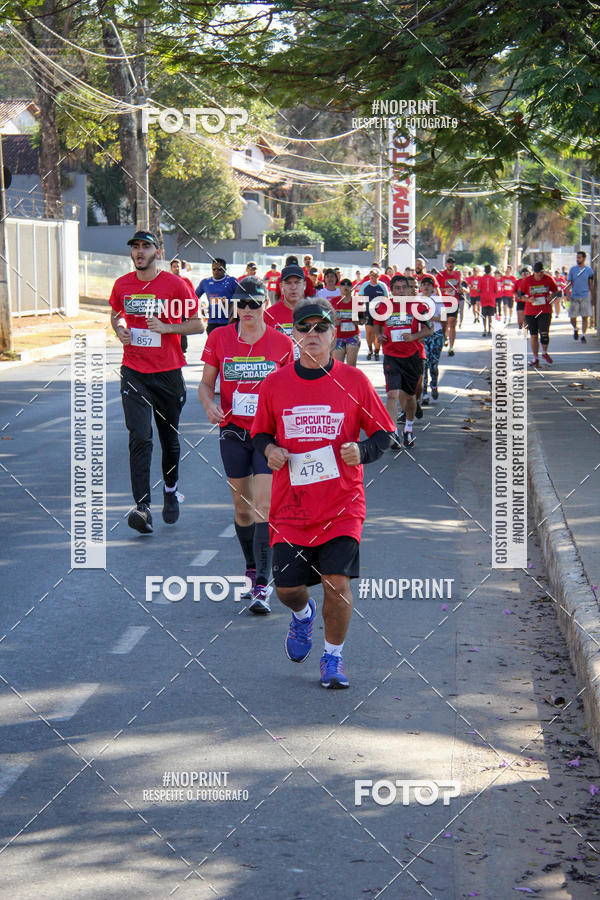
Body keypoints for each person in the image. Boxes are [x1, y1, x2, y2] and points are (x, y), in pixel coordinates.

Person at [251, 298, 395, 688]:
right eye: (304, 328)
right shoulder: (275, 383)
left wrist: (361, 451)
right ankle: (302, 616)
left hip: (342, 504)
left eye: (320, 328)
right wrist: (271, 449)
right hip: (291, 508)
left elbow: (384, 435)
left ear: (335, 335)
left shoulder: (354, 381)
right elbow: (260, 433)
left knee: (338, 582)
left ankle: (332, 658)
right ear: (292, 335)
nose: (312, 334)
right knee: (287, 590)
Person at [198, 277, 294, 613]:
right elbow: (206, 385)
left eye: (255, 303)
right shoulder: (219, 338)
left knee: (263, 509)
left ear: (266, 304)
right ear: (233, 306)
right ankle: (251, 567)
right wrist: (210, 405)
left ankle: (263, 586)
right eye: (242, 304)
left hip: (267, 437)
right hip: (233, 432)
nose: (248, 309)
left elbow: (293, 389)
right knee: (242, 510)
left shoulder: (282, 344)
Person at [110, 231, 204, 534]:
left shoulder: (175, 285)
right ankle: (142, 507)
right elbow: (116, 315)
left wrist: (167, 327)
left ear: (157, 251)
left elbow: (198, 324)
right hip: (134, 370)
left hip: (167, 373)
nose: (139, 252)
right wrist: (120, 328)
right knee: (140, 436)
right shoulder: (122, 285)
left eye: (145, 246)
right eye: (135, 247)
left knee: (169, 439)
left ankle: (171, 488)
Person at [374, 274, 433, 448]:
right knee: (392, 394)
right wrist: (379, 335)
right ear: (391, 291)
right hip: (391, 355)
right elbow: (377, 324)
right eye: (397, 288)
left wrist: (414, 336)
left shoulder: (418, 307)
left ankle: (408, 427)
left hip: (411, 357)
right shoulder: (384, 307)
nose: (400, 291)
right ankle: (394, 433)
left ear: (408, 289)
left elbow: (429, 329)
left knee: (409, 397)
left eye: (403, 288)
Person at [521, 261, 559, 366]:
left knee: (544, 333)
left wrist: (552, 296)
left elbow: (557, 292)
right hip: (530, 312)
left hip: (545, 311)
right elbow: (520, 296)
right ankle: (535, 358)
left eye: (541, 273)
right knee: (533, 336)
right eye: (538, 273)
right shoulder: (527, 281)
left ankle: (544, 353)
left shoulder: (548, 279)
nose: (540, 275)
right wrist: (528, 300)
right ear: (534, 272)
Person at [196, 258, 239, 335]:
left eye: (219, 269)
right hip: (213, 322)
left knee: (228, 346)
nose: (216, 271)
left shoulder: (232, 281)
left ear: (225, 270)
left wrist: (232, 308)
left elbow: (240, 298)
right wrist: (201, 307)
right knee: (213, 346)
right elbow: (194, 297)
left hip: (229, 322)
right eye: (214, 269)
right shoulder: (205, 282)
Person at [420, 275, 445, 403]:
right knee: (424, 364)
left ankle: (434, 384)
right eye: (424, 284)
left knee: (433, 364)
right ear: (420, 287)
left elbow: (443, 317)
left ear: (433, 288)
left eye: (429, 285)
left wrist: (429, 317)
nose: (426, 286)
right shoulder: (416, 299)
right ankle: (424, 393)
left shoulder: (437, 300)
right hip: (422, 335)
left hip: (436, 334)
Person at [358, 267, 389, 360]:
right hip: (368, 312)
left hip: (379, 313)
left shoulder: (382, 286)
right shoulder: (365, 285)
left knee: (377, 333)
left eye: (375, 276)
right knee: (369, 333)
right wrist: (361, 312)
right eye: (371, 275)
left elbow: (387, 299)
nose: (373, 277)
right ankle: (370, 349)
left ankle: (376, 351)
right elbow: (360, 298)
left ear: (378, 276)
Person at [332, 277, 361, 366]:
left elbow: (363, 320)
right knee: (337, 366)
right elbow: (327, 318)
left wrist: (357, 321)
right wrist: (334, 322)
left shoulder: (357, 302)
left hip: (353, 336)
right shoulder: (334, 301)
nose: (346, 286)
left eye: (348, 284)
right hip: (338, 336)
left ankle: (351, 380)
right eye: (343, 284)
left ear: (352, 288)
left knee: (351, 366)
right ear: (339, 288)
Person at [566, 250, 594, 343]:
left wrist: (593, 297)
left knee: (585, 317)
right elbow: (569, 282)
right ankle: (575, 329)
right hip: (574, 296)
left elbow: (591, 285)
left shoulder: (589, 270)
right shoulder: (573, 270)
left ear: (584, 258)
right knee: (572, 317)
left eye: (579, 257)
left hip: (585, 296)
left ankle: (583, 335)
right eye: (577, 257)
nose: (577, 259)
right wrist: (567, 293)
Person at [436, 257, 461, 356]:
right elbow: (436, 288)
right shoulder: (441, 274)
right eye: (449, 263)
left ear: (454, 265)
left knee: (452, 323)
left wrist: (459, 289)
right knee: (443, 325)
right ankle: (445, 336)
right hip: (443, 302)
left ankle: (451, 347)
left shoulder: (457, 274)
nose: (451, 265)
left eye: (452, 263)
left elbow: (459, 286)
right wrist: (445, 290)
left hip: (454, 302)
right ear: (446, 264)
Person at [478, 265, 497, 337]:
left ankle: (485, 329)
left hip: (483, 299)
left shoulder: (481, 279)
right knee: (490, 316)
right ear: (491, 271)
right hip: (491, 299)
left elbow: (478, 289)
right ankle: (490, 330)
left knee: (484, 316)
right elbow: (496, 290)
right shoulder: (493, 279)